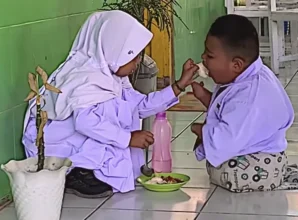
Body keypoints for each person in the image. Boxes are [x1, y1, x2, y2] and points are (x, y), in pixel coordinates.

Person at [22, 11, 199, 198]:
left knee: (114, 143)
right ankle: (78, 172)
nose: (138, 62)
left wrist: (179, 86)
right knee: (107, 136)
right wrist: (127, 138)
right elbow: (85, 123)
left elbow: (138, 106)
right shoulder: (87, 79)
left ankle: (91, 170)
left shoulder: (113, 77)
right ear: (115, 50)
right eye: (133, 56)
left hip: (83, 138)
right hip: (59, 146)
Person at [191, 14, 298, 193]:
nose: (203, 58)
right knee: (217, 163)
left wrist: (200, 130)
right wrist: (202, 95)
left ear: (236, 65)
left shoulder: (248, 96)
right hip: (270, 156)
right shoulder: (249, 74)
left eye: (209, 55)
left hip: (262, 163)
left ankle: (273, 177)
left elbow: (227, 139)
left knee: (228, 169)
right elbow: (227, 111)